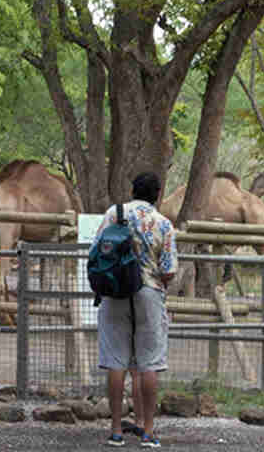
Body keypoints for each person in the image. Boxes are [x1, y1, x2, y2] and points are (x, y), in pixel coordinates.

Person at [96, 171, 177, 449]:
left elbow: (96, 252)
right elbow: (168, 271)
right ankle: (148, 431)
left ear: (132, 190)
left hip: (115, 291)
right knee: (149, 362)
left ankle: (116, 430)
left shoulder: (113, 214)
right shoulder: (163, 224)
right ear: (158, 194)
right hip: (149, 293)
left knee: (116, 361)